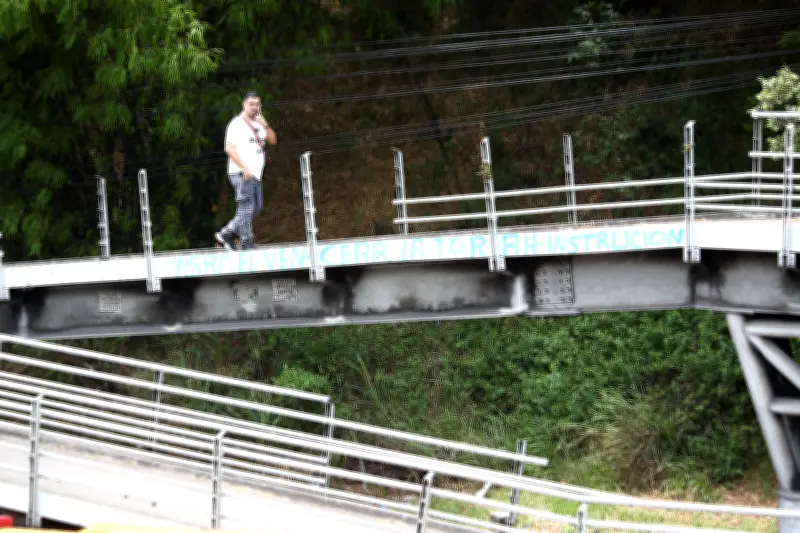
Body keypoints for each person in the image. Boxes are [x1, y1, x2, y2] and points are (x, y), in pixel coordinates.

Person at [215, 91, 277, 251]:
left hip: (256, 175)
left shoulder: (259, 123)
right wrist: (244, 168)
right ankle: (246, 242)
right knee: (246, 208)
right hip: (242, 173)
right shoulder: (236, 124)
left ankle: (226, 234)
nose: (255, 107)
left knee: (257, 208)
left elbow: (273, 140)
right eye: (251, 104)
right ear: (244, 104)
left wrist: (266, 125)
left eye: (257, 104)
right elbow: (229, 148)